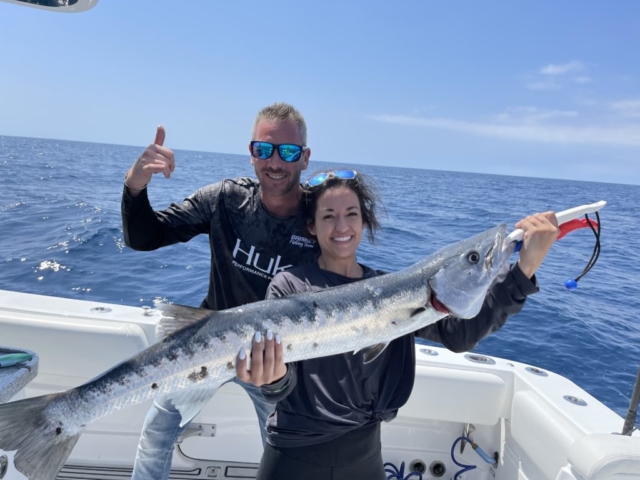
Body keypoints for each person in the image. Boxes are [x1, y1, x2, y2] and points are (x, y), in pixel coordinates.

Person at [236, 169, 559, 480]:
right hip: (293, 456)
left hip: (365, 456)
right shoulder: (290, 287)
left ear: (364, 221)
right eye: (328, 216)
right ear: (311, 225)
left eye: (351, 214)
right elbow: (280, 386)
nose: (341, 226)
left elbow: (460, 335)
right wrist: (273, 378)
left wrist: (523, 270)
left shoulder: (391, 288)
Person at [121, 103, 319, 479]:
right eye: (263, 149)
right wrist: (134, 186)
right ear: (251, 153)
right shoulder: (225, 200)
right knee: (156, 432)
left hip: (277, 360)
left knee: (286, 453)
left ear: (304, 158)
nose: (274, 162)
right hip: (207, 343)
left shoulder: (319, 217)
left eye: (288, 151)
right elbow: (146, 236)